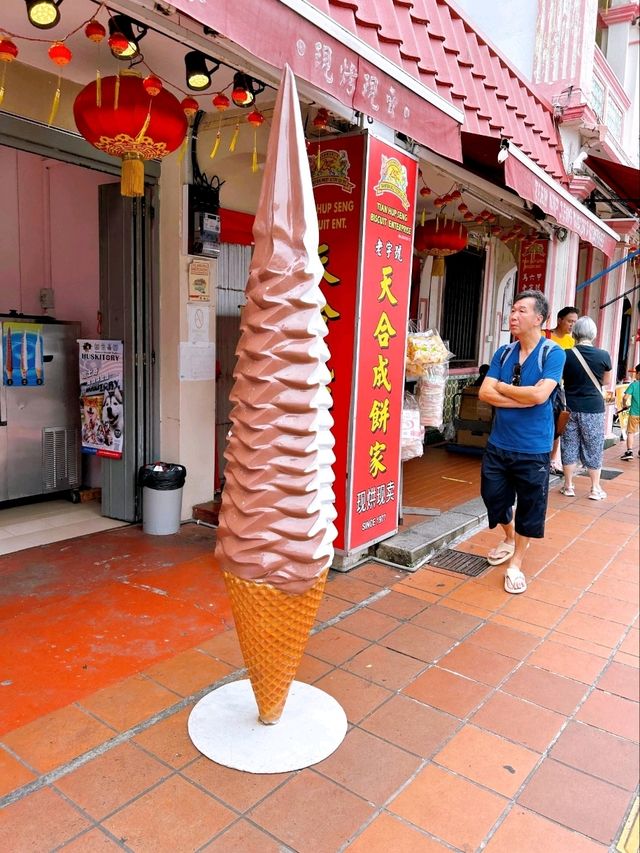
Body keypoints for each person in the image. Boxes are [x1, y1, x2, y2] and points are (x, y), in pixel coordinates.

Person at [479, 289, 565, 594]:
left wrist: (504, 390)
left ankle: (516, 562)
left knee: (530, 507)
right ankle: (509, 535)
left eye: (521, 311)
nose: (513, 316)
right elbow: (485, 393)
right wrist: (523, 398)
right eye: (512, 310)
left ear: (539, 319)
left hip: (534, 448)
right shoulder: (503, 353)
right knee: (493, 497)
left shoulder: (553, 353)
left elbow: (542, 396)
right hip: (499, 443)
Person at [559, 316, 612, 500]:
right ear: (594, 334)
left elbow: (561, 380)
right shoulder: (603, 355)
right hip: (594, 408)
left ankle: (568, 486)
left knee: (569, 445)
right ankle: (595, 489)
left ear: (575, 333)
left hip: (571, 407)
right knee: (594, 446)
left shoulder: (566, 354)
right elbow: (606, 381)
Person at [544, 306, 578, 474]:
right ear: (559, 320)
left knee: (559, 424)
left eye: (575, 322)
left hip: (560, 390)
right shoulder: (545, 336)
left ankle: (552, 460)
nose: (572, 325)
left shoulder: (572, 343)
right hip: (541, 386)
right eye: (570, 321)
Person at [621, 364, 640, 460]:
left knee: (631, 432)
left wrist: (624, 405)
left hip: (634, 413)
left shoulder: (634, 384)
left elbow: (625, 397)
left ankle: (629, 451)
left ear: (638, 373)